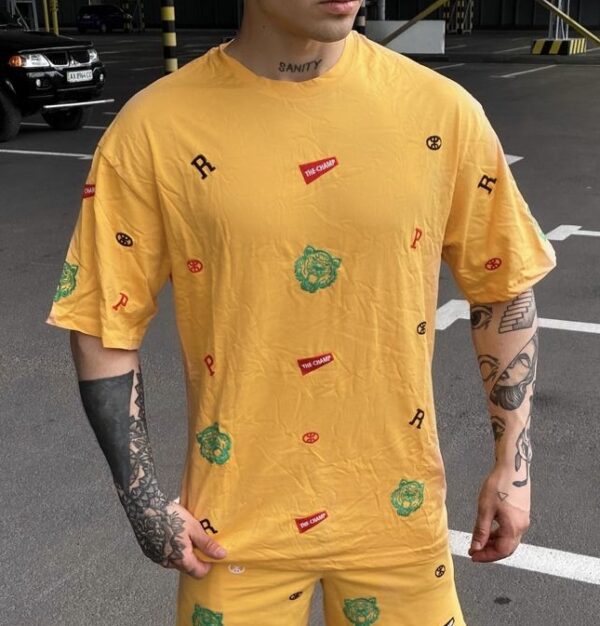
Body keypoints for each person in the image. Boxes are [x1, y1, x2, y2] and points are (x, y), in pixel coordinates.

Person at [47, 1, 556, 624]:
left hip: (398, 520)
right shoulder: (155, 127)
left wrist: (513, 466)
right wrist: (143, 500)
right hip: (230, 533)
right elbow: (103, 317)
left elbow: (502, 286)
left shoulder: (441, 112)